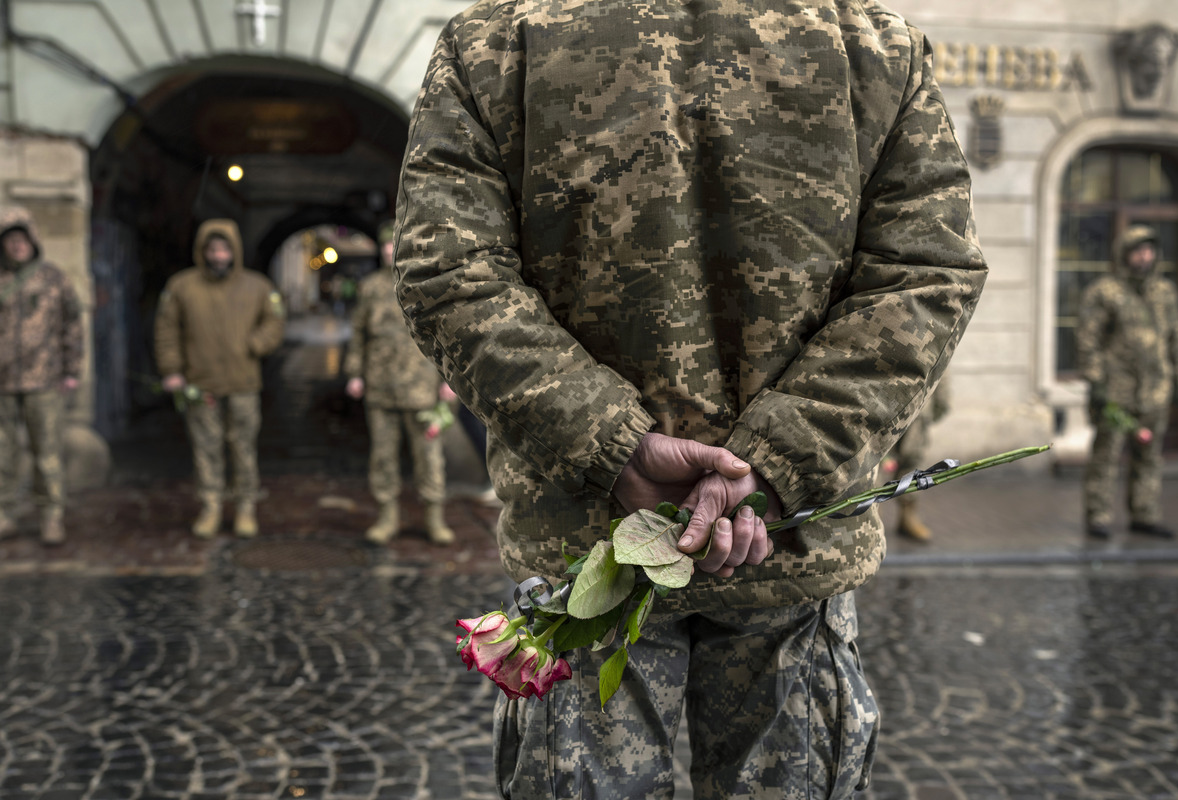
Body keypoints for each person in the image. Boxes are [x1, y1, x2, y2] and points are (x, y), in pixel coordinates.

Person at [395, 0, 987, 797]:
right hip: (779, 542)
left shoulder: (502, 38)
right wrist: (770, 464)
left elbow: (450, 273)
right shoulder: (869, 43)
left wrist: (612, 446)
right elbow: (925, 275)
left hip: (589, 540)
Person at [155, 219, 285, 539]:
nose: (218, 255)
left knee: (243, 447)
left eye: (224, 249)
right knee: (205, 448)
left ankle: (244, 508)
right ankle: (210, 506)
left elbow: (275, 322)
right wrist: (172, 370)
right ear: (202, 251)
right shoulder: (181, 287)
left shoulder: (258, 286)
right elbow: (166, 331)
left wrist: (255, 345)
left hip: (243, 382)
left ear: (234, 251)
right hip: (200, 384)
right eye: (212, 249)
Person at [344, 223, 455, 546]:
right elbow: (358, 334)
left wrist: (448, 379)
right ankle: (387, 517)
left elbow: (445, 335)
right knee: (382, 457)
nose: (388, 251)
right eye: (384, 246)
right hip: (380, 388)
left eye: (394, 245)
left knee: (429, 458)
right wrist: (354, 373)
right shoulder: (370, 287)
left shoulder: (428, 285)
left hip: (422, 389)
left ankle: (434, 517)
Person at [1077, 225, 1178, 540]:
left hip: (1156, 390)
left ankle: (1145, 514)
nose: (1145, 256)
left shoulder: (1164, 292)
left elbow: (1176, 337)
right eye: (1138, 250)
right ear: (1124, 255)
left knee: (1150, 457)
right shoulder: (1105, 292)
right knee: (1107, 456)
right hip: (1116, 390)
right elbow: (1088, 339)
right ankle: (1098, 515)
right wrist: (1096, 380)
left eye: (1149, 250)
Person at [0, 206, 84, 545]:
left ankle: (51, 515)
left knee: (46, 451)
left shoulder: (53, 279)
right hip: (3, 382)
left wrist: (72, 370)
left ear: (33, 240)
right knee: (2, 451)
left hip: (44, 379)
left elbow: (72, 326)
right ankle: (3, 511)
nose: (17, 246)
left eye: (22, 240)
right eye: (10, 241)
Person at [883, 380, 951, 541]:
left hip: (919, 408)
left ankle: (908, 516)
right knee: (874, 467)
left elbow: (941, 370)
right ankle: (869, 518)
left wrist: (938, 404)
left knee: (912, 465)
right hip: (882, 407)